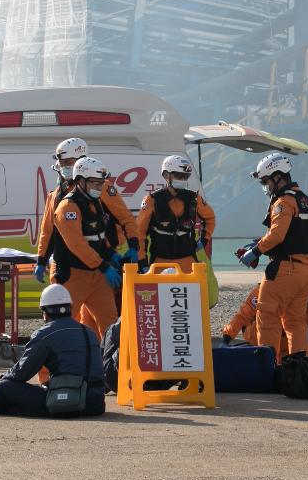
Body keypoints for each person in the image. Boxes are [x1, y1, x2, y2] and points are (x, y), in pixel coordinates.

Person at [237, 153, 308, 362]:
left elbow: (277, 235)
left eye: (265, 181)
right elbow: (292, 235)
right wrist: (259, 244)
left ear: (278, 176)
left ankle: (268, 365)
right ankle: (299, 365)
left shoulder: (283, 201)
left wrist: (255, 252)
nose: (265, 186)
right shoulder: (304, 199)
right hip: (307, 270)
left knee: (267, 316)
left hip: (286, 269)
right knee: (295, 321)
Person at [0, 284, 106, 417]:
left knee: (2, 389)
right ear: (70, 309)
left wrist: (4, 378)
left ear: (45, 312)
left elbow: (22, 373)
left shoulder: (44, 334)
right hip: (96, 403)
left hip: (68, 401)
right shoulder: (89, 332)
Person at [35, 138, 140, 282]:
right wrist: (41, 260)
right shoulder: (55, 195)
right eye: (62, 162)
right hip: (66, 264)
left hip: (103, 259)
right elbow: (47, 231)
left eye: (67, 162)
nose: (62, 166)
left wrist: (133, 245)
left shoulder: (101, 187)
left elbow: (125, 218)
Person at [50, 157, 124, 339]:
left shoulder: (94, 203)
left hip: (97, 277)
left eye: (101, 183)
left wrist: (111, 253)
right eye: (95, 183)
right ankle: (42, 369)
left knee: (111, 327)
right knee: (57, 327)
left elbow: (99, 237)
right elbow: (77, 245)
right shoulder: (68, 208)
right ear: (80, 181)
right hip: (72, 277)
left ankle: (110, 366)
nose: (99, 187)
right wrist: (104, 266)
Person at [136, 154, 216, 273]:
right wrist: (142, 262)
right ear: (166, 175)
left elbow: (210, 218)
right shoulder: (151, 200)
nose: (182, 180)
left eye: (185, 176)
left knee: (193, 290)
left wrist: (204, 239)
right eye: (178, 175)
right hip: (159, 261)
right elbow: (140, 233)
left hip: (188, 260)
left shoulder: (194, 198)